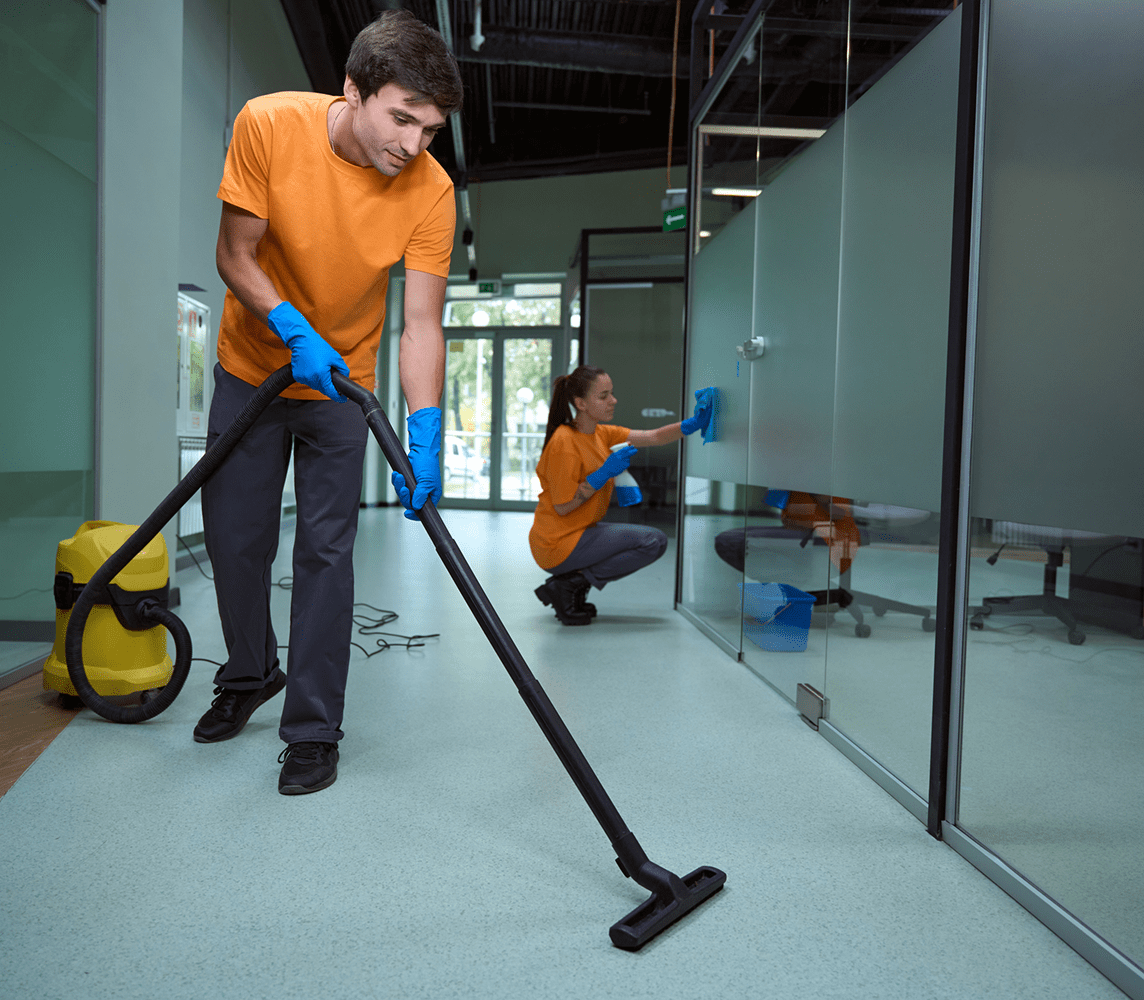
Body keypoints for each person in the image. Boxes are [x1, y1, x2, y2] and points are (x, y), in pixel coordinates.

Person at [193, 11, 462, 795]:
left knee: (326, 555)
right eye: (401, 118)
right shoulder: (269, 124)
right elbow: (233, 253)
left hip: (344, 386)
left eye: (431, 129)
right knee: (237, 542)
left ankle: (312, 729)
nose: (412, 146)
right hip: (254, 366)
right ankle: (249, 673)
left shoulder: (431, 191)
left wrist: (425, 429)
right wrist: (287, 326)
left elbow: (420, 323)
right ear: (353, 89)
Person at [529, 366, 713, 625]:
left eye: (611, 394)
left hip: (579, 532)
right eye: (603, 396)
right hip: (557, 543)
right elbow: (562, 507)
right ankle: (571, 584)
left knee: (653, 541)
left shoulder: (601, 434)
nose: (613, 401)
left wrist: (692, 424)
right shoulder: (564, 443)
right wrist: (602, 475)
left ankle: (571, 584)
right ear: (580, 403)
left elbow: (654, 436)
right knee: (652, 541)